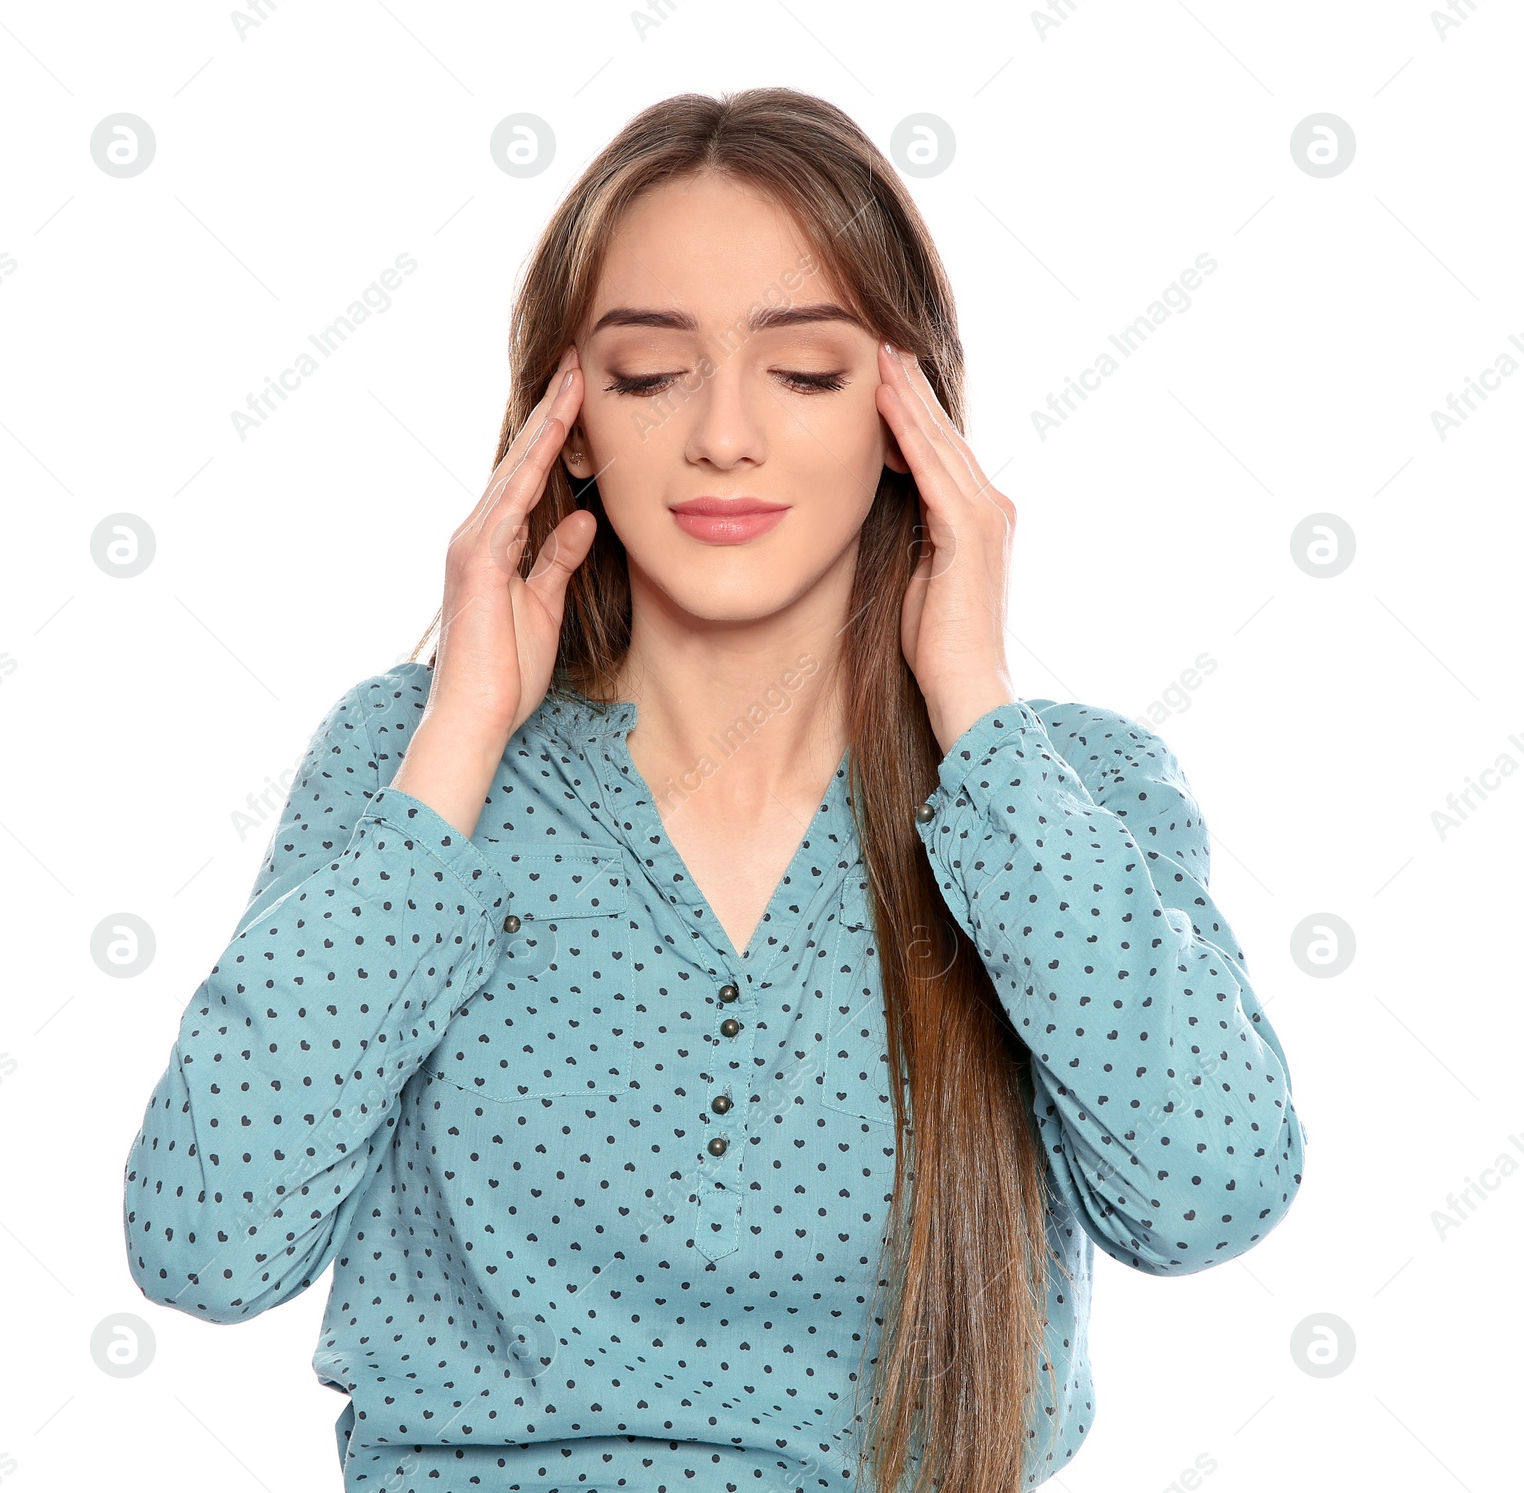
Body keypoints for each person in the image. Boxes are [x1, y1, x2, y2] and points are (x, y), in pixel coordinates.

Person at [122, 86, 1305, 1493]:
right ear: (564, 422)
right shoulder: (409, 755)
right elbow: (204, 1239)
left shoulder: (1071, 787)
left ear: (904, 415)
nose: (725, 437)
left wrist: (975, 714)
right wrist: (458, 745)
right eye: (647, 375)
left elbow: (1209, 1194)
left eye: (804, 373)